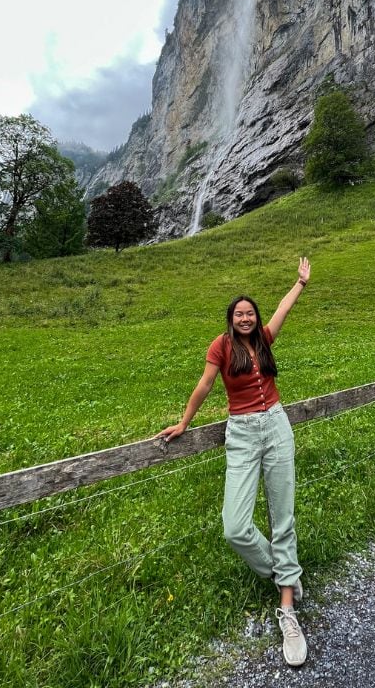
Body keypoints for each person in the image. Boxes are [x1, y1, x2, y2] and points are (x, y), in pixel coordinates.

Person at [155, 257, 311, 667]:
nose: (246, 318)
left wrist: (300, 284)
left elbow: (282, 312)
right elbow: (205, 384)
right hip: (241, 433)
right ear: (230, 319)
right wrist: (183, 422)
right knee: (235, 527)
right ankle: (283, 573)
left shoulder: (263, 338)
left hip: (277, 425)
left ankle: (288, 607)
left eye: (250, 313)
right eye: (239, 314)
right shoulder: (220, 347)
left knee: (283, 516)